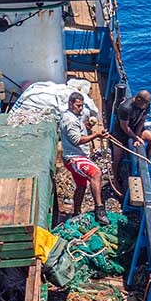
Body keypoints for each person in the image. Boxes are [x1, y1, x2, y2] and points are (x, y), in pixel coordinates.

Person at [59, 91, 110, 224]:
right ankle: (99, 210)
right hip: (74, 158)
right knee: (96, 173)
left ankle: (76, 212)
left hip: (77, 156)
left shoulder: (74, 116)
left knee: (81, 186)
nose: (80, 108)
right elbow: (77, 140)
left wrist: (87, 127)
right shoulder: (70, 120)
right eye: (78, 106)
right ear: (70, 104)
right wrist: (96, 135)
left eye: (82, 105)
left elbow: (78, 131)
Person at [110, 89, 151, 193]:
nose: (147, 105)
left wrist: (137, 135)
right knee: (117, 156)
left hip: (136, 129)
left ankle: (146, 163)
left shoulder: (145, 105)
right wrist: (135, 138)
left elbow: (142, 120)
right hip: (120, 133)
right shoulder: (126, 108)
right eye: (145, 103)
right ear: (138, 99)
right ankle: (115, 180)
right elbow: (124, 127)